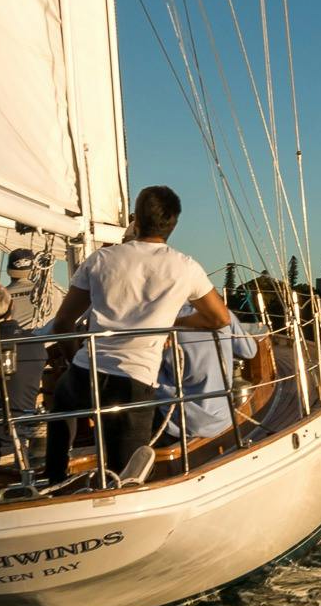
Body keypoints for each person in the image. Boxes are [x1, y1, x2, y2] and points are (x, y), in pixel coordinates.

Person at [43, 186, 231, 485]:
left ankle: (53, 478)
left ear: (136, 220)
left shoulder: (101, 259)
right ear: (173, 225)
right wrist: (171, 324)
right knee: (126, 472)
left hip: (86, 369)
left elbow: (63, 322)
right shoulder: (185, 267)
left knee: (63, 406)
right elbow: (218, 318)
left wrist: (71, 358)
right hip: (135, 378)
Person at [160, 317, 266, 450]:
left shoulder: (159, 319)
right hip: (223, 420)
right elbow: (249, 351)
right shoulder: (219, 313)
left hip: (178, 425)